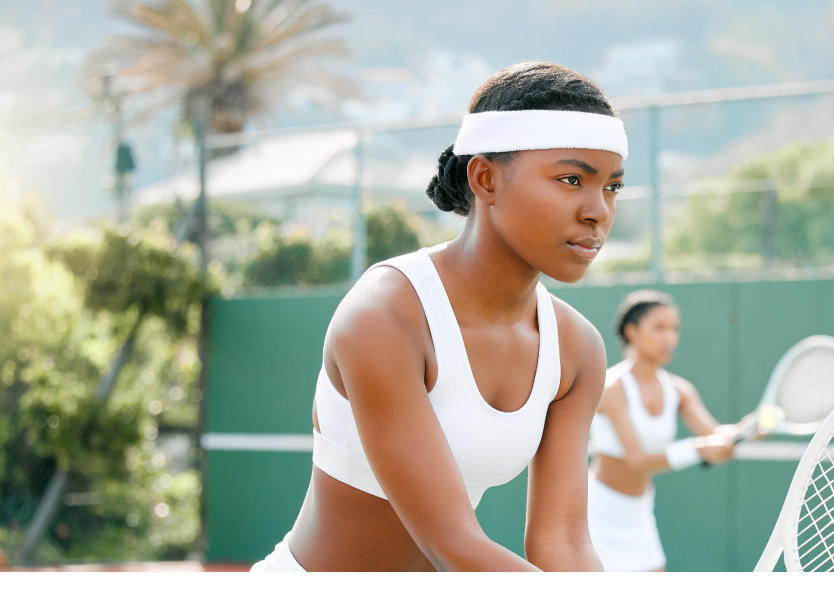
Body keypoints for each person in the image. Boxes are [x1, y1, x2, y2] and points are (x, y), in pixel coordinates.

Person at [250, 62, 627, 571]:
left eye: (612, 187)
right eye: (571, 179)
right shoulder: (384, 315)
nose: (597, 210)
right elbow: (452, 544)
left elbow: (563, 540)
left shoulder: (577, 349)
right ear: (486, 179)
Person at [586, 290, 738, 571]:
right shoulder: (611, 388)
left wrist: (750, 430)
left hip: (640, 511)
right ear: (631, 331)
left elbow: (715, 434)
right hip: (596, 513)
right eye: (659, 328)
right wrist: (698, 449)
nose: (670, 338)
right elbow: (638, 459)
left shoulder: (679, 390)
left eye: (674, 329)